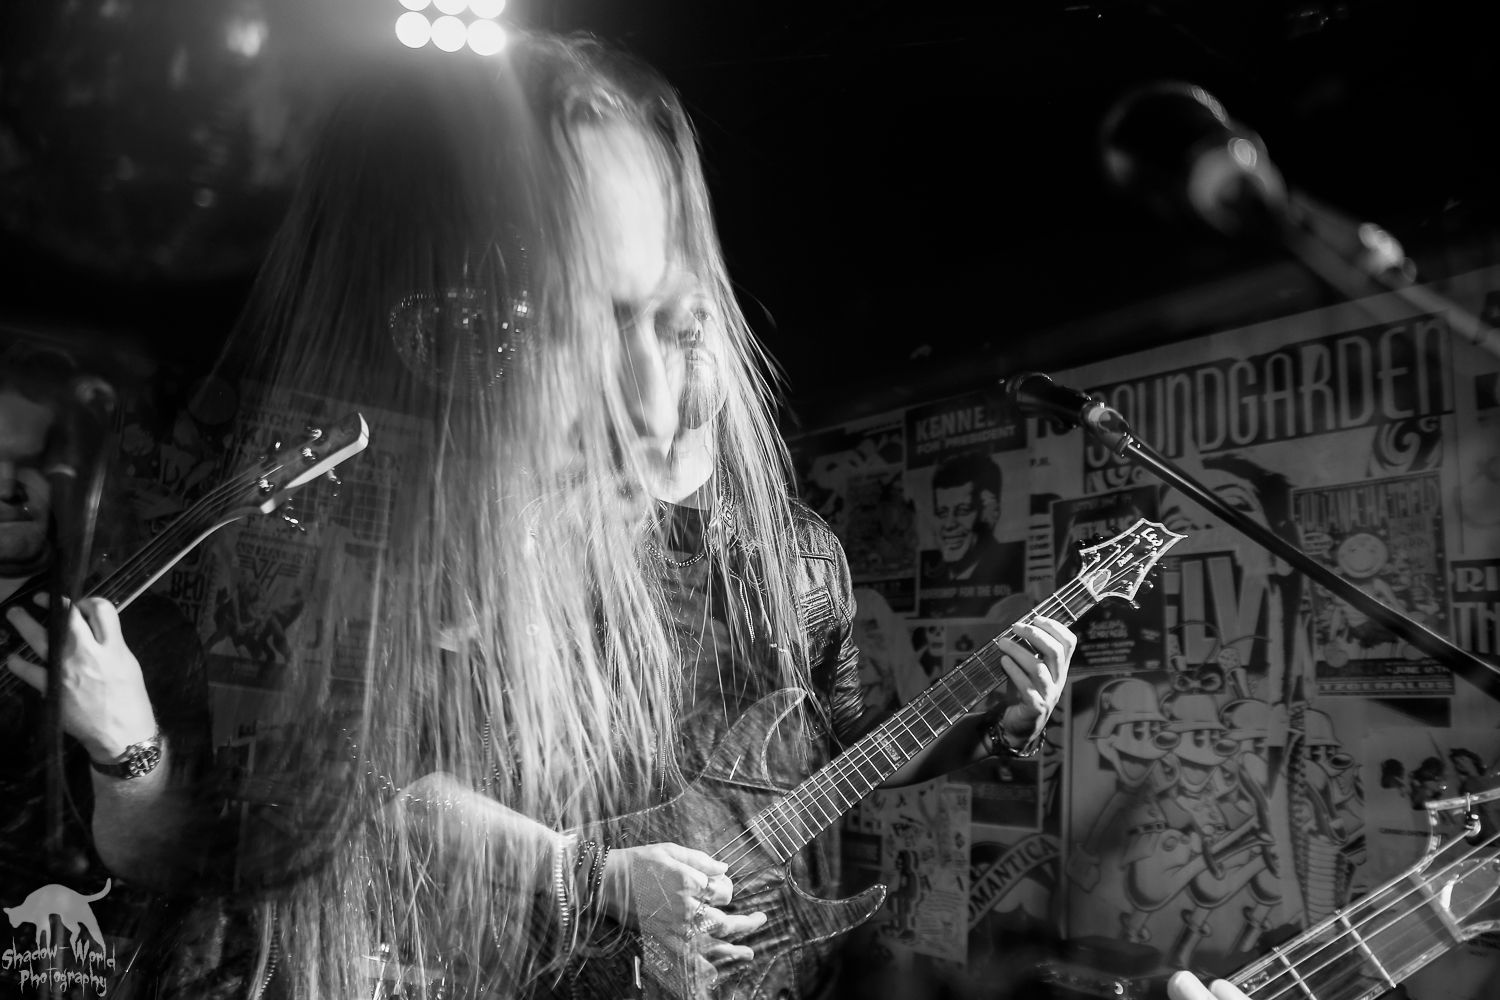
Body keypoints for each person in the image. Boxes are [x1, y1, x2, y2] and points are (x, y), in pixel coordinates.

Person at [204, 32, 1073, 1000]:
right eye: (616, 320)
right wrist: (600, 872)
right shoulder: (513, 527)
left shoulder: (802, 555)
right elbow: (387, 788)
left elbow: (845, 744)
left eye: (683, 322)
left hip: (740, 970)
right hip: (538, 970)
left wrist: (997, 719)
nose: (662, 378)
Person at [0, 340, 210, 990]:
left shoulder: (146, 632)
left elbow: (166, 862)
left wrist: (126, 744)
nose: (8, 485)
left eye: (35, 462)